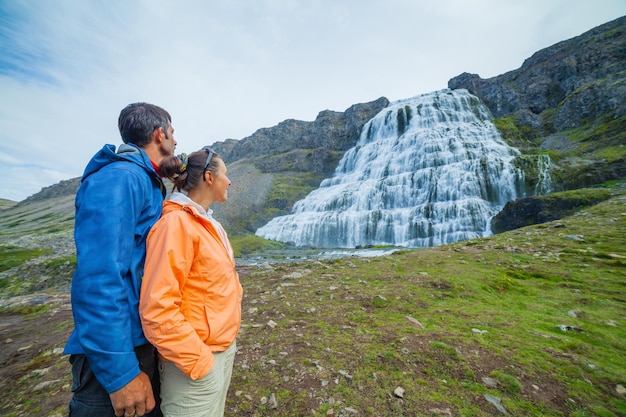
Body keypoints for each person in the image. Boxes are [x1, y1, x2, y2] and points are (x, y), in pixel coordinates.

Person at [64, 102, 177, 417]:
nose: (176, 141)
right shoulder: (120, 178)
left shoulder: (142, 179)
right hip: (118, 353)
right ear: (160, 134)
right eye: (173, 132)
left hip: (137, 344)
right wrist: (120, 374)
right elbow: (99, 278)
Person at [140, 147, 242, 417]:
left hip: (219, 351)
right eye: (225, 174)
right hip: (195, 363)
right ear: (209, 177)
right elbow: (157, 308)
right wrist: (199, 362)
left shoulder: (205, 222)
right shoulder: (176, 224)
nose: (229, 181)